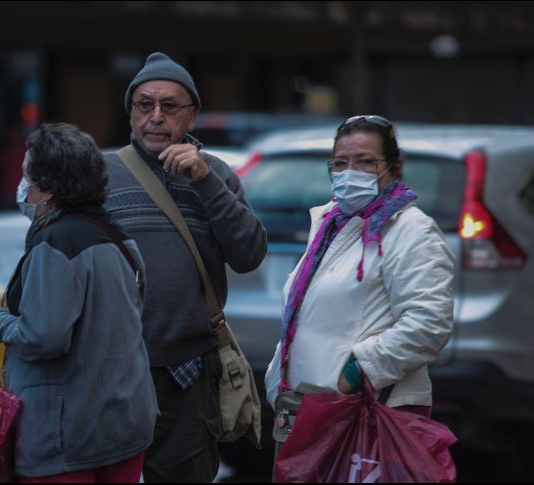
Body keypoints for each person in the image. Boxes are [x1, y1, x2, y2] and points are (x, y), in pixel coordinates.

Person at [103, 52, 268, 482]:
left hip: (188, 373)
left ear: (191, 117)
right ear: (131, 114)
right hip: (111, 370)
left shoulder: (216, 175)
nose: (155, 117)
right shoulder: (101, 173)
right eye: (144, 105)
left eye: (170, 107)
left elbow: (249, 254)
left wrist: (205, 181)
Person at [265, 115, 455, 471]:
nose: (350, 171)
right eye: (340, 163)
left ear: (393, 169)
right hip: (307, 413)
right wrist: (278, 381)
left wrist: (356, 373)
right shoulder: (331, 224)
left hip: (363, 414)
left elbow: (429, 323)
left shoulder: (412, 231)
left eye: (366, 161)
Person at [0, 123, 158, 483]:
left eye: (26, 176)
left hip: (68, 437)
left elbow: (43, 337)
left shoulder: (55, 245)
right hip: (124, 425)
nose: (22, 187)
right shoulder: (118, 238)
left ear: (48, 187)